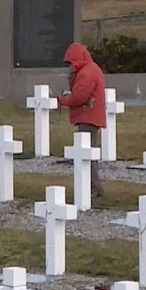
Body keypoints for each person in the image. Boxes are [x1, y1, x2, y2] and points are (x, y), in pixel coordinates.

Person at [57, 42, 106, 198]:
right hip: (89, 116)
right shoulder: (89, 69)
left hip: (88, 117)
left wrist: (62, 100)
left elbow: (79, 97)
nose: (70, 66)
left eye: (71, 63)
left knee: (87, 156)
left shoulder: (87, 73)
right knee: (88, 154)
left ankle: (95, 189)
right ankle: (92, 187)